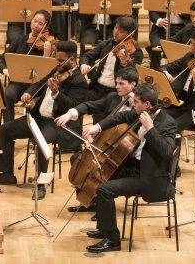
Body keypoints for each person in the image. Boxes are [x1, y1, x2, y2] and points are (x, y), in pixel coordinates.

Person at [0, 41, 88, 200]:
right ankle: (7, 174)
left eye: (61, 60)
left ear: (72, 60)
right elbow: (39, 84)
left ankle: (40, 185)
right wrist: (28, 93)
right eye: (56, 59)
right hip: (38, 118)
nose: (57, 63)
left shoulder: (79, 81)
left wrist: (56, 93)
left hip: (58, 124)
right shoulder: (56, 69)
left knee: (40, 141)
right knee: (5, 129)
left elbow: (72, 107)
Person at [82, 83, 177, 253]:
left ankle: (112, 240)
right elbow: (118, 118)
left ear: (147, 104)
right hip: (133, 167)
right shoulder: (140, 113)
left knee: (104, 190)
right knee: (100, 176)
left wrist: (150, 129)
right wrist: (96, 127)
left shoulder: (167, 123)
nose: (133, 104)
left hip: (149, 177)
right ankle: (105, 228)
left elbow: (167, 152)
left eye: (137, 102)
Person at [55, 66, 139, 213]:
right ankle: (88, 201)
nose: (117, 87)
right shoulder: (113, 97)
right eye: (116, 83)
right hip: (105, 146)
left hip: (125, 154)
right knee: (78, 160)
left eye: (122, 84)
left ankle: (103, 208)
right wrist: (70, 114)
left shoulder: (140, 105)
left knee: (103, 172)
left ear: (133, 85)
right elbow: (89, 105)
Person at [79, 15, 143, 123]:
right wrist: (84, 64)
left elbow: (132, 75)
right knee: (74, 103)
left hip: (115, 92)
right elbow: (86, 56)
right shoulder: (108, 43)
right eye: (115, 28)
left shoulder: (135, 52)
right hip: (96, 88)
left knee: (100, 121)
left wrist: (124, 62)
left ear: (130, 33)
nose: (116, 32)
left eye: (121, 31)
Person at [0, 10, 54, 123]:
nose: (36, 25)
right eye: (35, 21)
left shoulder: (49, 43)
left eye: (40, 24)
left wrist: (46, 55)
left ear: (46, 26)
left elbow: (49, 71)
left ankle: (34, 134)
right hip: (18, 83)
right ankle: (8, 129)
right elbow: (1, 59)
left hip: (37, 86)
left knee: (39, 102)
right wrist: (6, 70)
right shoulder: (20, 40)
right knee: (7, 95)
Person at [160, 26, 195, 131]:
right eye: (191, 43)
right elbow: (167, 66)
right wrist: (165, 72)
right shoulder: (189, 56)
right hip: (183, 104)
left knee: (170, 127)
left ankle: (172, 146)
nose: (191, 47)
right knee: (158, 117)